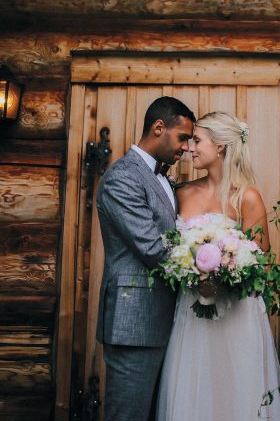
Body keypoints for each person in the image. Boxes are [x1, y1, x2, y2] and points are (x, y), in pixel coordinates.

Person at [156, 111, 280, 421]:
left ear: (220, 147)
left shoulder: (248, 198)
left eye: (197, 141)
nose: (190, 147)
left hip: (236, 316)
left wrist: (227, 277)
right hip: (194, 314)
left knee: (237, 393)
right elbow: (171, 250)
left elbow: (262, 266)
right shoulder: (182, 194)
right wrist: (191, 273)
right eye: (189, 141)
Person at [96, 96, 195, 421]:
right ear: (158, 128)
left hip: (167, 320)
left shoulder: (162, 177)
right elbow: (152, 248)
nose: (185, 147)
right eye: (182, 137)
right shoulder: (123, 177)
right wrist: (208, 270)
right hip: (134, 321)